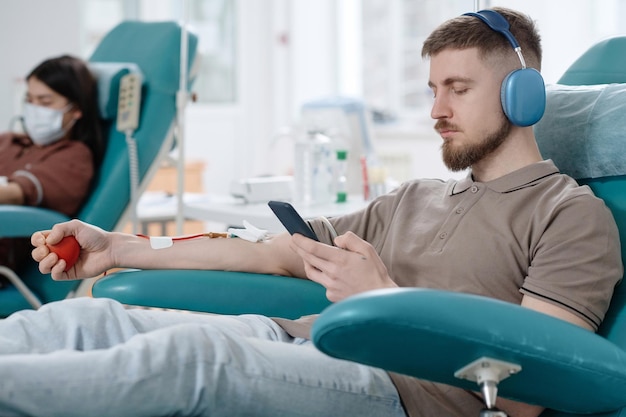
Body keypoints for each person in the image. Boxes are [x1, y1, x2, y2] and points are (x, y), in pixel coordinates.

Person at [2, 7, 622, 417]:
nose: (437, 110)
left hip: (403, 388)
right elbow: (271, 250)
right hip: (300, 339)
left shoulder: (571, 216)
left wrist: (382, 297)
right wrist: (121, 247)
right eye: (431, 89)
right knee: (92, 322)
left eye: (457, 89)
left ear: (523, 94)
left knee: (188, 361)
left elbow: (531, 390)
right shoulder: (415, 198)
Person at [0, 54, 103, 276]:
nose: (34, 109)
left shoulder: (73, 157)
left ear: (76, 108)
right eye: (29, 100)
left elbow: (15, 194)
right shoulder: (9, 141)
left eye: (45, 102)